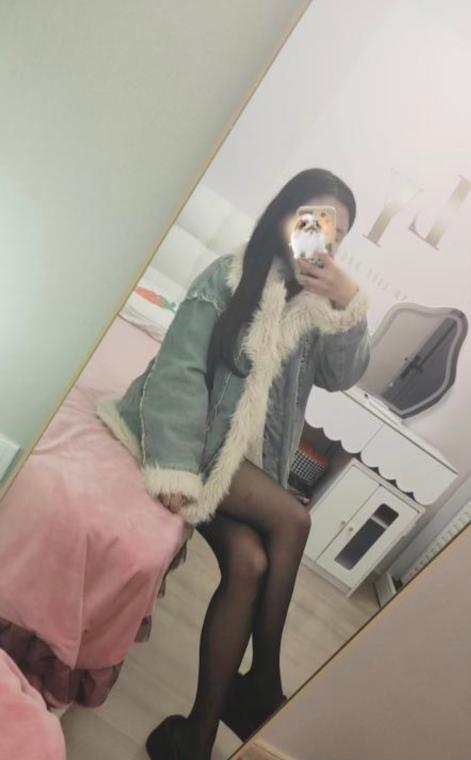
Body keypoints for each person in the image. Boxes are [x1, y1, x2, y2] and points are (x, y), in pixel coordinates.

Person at [97, 168, 370, 760]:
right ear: (284, 213)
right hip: (197, 447)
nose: (322, 237)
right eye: (314, 218)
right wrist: (174, 464)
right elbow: (179, 371)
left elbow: (342, 375)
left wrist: (348, 302)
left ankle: (196, 738)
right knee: (295, 520)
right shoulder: (227, 275)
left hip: (248, 471)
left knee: (249, 563)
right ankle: (263, 683)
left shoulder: (316, 308)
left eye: (337, 233)